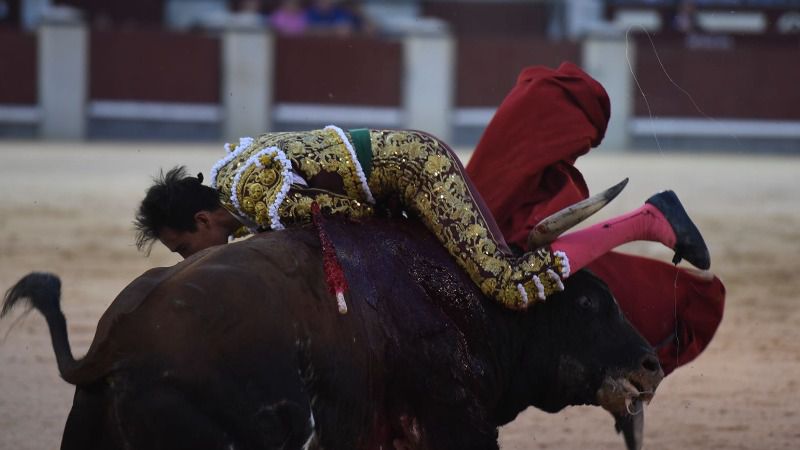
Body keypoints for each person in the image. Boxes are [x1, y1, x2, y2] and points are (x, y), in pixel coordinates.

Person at [135, 125, 710, 313]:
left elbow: (351, 218)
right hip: (402, 165)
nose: (191, 260)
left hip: (417, 172)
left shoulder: (257, 199)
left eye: (186, 246)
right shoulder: (230, 173)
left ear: (206, 218)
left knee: (508, 286)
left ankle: (648, 220)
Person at [464, 62, 725, 374]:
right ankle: (646, 220)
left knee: (507, 266)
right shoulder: (529, 120)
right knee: (505, 258)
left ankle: (646, 220)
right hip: (470, 229)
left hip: (469, 236)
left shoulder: (526, 119)